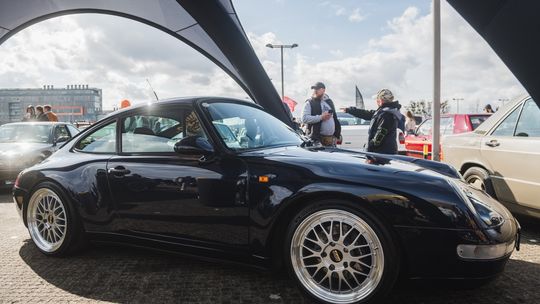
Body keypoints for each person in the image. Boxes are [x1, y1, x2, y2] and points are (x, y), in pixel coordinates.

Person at [344, 88, 404, 154]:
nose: (376, 101)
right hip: (384, 152)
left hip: (382, 154)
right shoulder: (383, 112)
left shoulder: (386, 115)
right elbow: (367, 114)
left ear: (380, 100)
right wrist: (350, 110)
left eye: (377, 99)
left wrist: (369, 148)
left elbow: (379, 137)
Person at [301, 82, 341, 146]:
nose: (315, 91)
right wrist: (321, 117)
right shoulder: (309, 102)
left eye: (317, 89)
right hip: (316, 140)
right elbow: (304, 119)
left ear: (323, 90)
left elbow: (335, 118)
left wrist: (337, 134)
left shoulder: (329, 101)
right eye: (314, 89)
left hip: (331, 139)